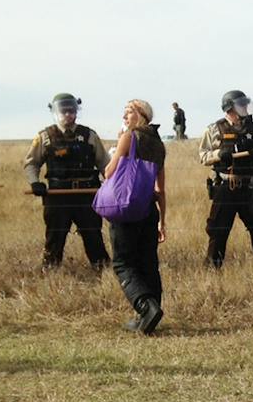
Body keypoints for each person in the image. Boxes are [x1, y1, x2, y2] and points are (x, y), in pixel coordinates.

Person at [23, 93, 110, 271]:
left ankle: (103, 271)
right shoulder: (45, 136)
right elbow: (31, 163)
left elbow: (104, 163)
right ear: (56, 113)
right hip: (57, 196)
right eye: (64, 111)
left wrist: (112, 184)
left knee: (93, 235)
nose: (68, 115)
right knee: (54, 238)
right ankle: (51, 272)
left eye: (71, 111)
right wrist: (35, 182)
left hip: (87, 195)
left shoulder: (89, 135)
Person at [108, 99, 167, 335]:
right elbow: (161, 188)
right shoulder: (159, 143)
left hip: (126, 206)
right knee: (148, 261)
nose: (125, 116)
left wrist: (116, 148)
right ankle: (151, 314)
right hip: (148, 208)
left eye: (129, 112)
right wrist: (164, 219)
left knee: (123, 263)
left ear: (141, 115)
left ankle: (146, 307)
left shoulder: (129, 137)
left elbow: (109, 171)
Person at [198, 90, 253, 269]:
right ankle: (212, 269)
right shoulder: (214, 130)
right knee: (218, 230)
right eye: (241, 105)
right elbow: (203, 156)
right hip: (226, 187)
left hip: (251, 188)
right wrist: (219, 154)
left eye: (246, 104)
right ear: (229, 108)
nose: (246, 108)